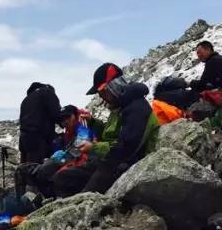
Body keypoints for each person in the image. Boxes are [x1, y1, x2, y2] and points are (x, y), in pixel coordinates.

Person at [53, 63, 159, 198]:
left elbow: (126, 148)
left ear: (114, 86)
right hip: (109, 160)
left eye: (103, 92)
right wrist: (93, 123)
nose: (102, 97)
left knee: (84, 197)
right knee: (62, 178)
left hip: (124, 165)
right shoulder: (120, 106)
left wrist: (94, 147)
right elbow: (111, 135)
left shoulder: (136, 108)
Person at [18, 82, 62, 164]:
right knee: (38, 170)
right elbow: (57, 114)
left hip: (24, 141)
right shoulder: (47, 92)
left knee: (27, 169)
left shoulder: (25, 100)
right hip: (38, 139)